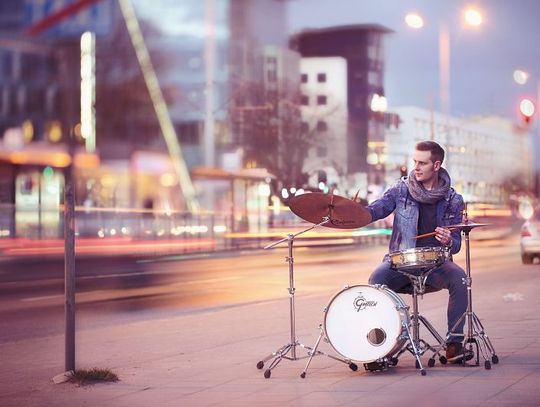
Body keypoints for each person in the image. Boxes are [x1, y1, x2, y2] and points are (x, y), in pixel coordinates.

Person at [367, 140, 470, 363]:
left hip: (436, 264)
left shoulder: (453, 199)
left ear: (436, 165)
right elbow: (377, 209)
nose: (416, 167)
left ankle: (454, 344)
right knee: (376, 280)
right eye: (415, 161)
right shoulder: (401, 189)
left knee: (460, 279)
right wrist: (351, 213)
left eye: (422, 163)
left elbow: (456, 244)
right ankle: (377, 346)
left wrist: (448, 241)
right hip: (400, 261)